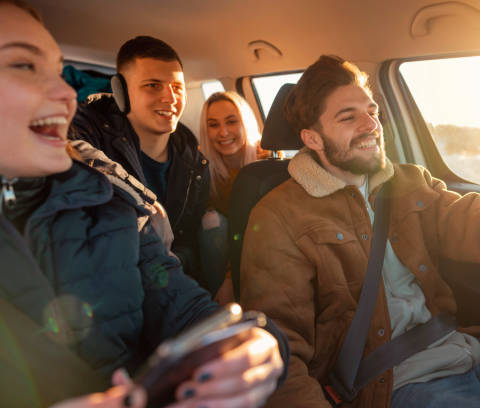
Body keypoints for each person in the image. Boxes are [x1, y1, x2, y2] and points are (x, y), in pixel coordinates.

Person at [239, 54, 480, 407]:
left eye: (372, 111)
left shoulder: (407, 182)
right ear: (312, 139)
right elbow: (279, 351)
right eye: (348, 117)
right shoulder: (278, 218)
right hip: (396, 384)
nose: (371, 125)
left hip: (469, 351)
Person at [0, 1, 287, 407]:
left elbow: (181, 301)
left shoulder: (110, 207)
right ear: (121, 92)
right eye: (24, 66)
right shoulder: (103, 167)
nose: (66, 93)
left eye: (56, 72)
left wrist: (260, 343)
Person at [68, 36, 218, 294]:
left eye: (177, 87)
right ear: (121, 92)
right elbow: (74, 152)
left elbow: (188, 242)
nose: (170, 98)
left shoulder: (194, 164)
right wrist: (142, 202)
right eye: (153, 85)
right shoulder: (87, 130)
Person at [199, 91, 267, 303]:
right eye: (213, 125)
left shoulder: (267, 162)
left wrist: (231, 278)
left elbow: (259, 228)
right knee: (211, 222)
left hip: (261, 241)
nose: (224, 132)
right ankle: (217, 306)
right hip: (224, 248)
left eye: (231, 121)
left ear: (245, 122)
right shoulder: (202, 167)